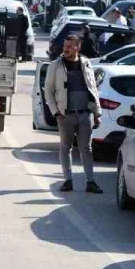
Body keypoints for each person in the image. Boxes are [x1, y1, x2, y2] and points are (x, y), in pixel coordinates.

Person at [43, 34, 102, 194]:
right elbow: (48, 90)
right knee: (65, 147)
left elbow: (93, 89)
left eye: (70, 46)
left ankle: (90, 181)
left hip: (85, 114)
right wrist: (55, 112)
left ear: (78, 47)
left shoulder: (86, 63)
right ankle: (67, 180)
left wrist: (97, 113)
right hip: (65, 115)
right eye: (65, 46)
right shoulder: (56, 65)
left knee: (86, 148)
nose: (66, 49)